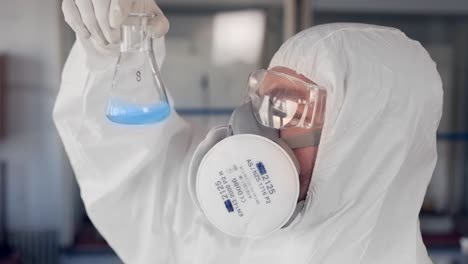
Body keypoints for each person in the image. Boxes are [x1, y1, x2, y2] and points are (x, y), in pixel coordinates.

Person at [55, 0, 443, 263]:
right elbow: (133, 175)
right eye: (264, 99)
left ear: (364, 152)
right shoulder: (220, 239)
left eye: (290, 109)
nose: (254, 126)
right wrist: (112, 55)